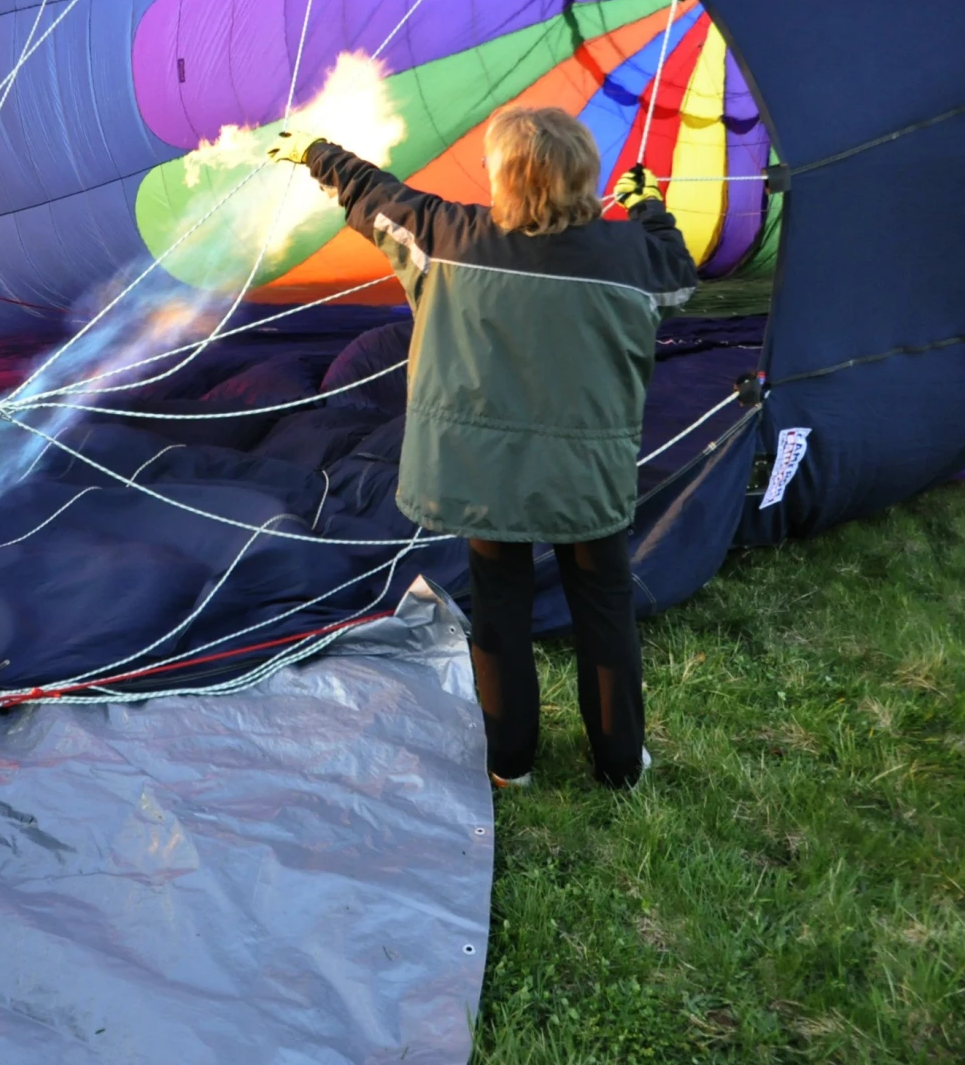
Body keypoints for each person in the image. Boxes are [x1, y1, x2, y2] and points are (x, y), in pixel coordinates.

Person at [274, 106, 697, 788]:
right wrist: (649, 208)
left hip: (484, 476)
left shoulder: (447, 236)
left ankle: (510, 762)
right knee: (603, 609)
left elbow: (371, 193)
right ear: (584, 176)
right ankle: (620, 766)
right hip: (585, 478)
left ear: (503, 179)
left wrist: (314, 150)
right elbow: (678, 274)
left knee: (498, 607)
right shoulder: (632, 255)